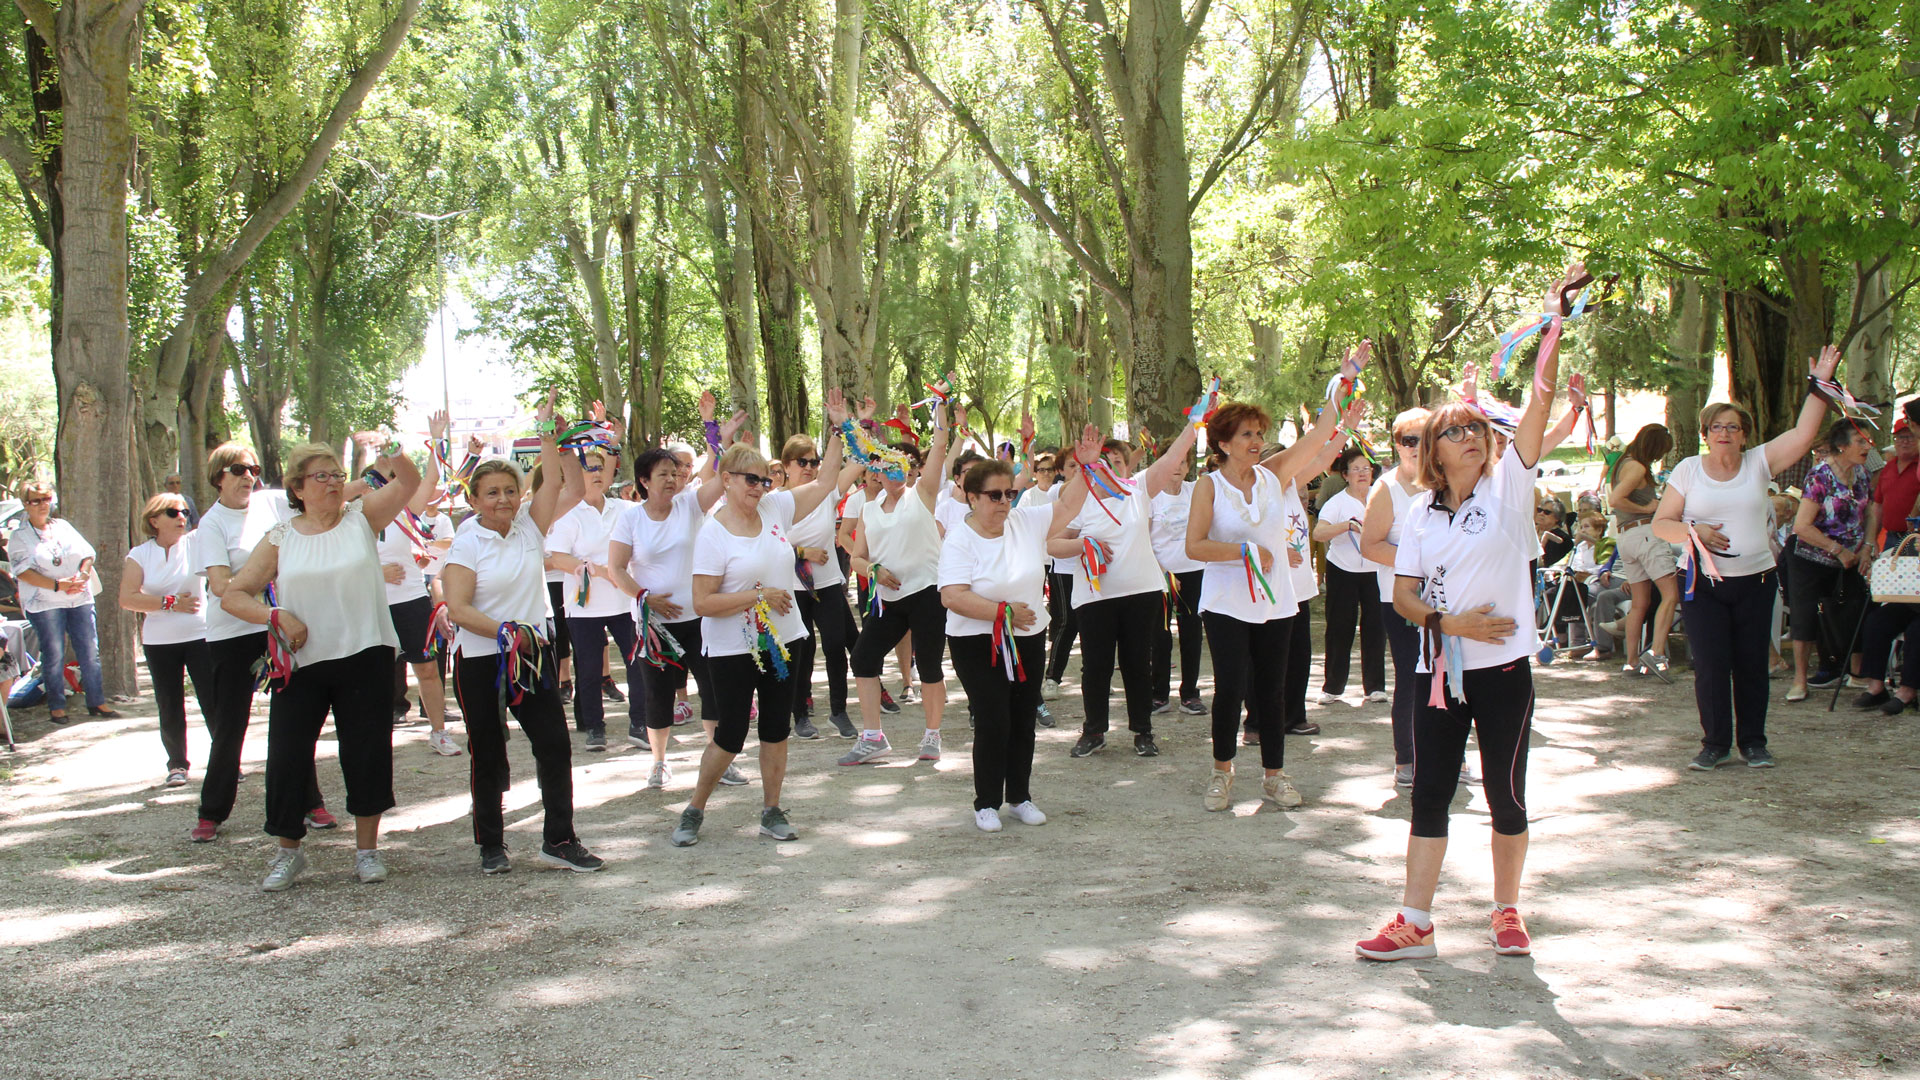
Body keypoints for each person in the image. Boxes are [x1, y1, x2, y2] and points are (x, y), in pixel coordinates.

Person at [1354, 266, 1578, 963]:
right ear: (1432, 453)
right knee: (1430, 796)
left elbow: (1539, 402)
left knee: (1507, 798)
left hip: (1504, 672)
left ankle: (1507, 912)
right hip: (1438, 675)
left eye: (1478, 429)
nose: (1471, 438)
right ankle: (1415, 921)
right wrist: (1448, 626)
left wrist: (1552, 326)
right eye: (1455, 433)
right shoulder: (1418, 512)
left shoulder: (1511, 491)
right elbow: (1404, 595)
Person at [222, 433, 422, 891]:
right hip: (303, 662)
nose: (332, 483)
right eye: (321, 476)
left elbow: (408, 481)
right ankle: (288, 853)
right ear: (297, 488)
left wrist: (388, 448)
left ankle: (367, 852)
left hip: (365, 652)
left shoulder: (361, 517)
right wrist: (275, 615)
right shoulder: (280, 537)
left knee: (366, 751)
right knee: (289, 755)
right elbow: (233, 595)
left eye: (336, 474)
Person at [670, 392, 847, 846]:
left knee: (775, 727)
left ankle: (771, 810)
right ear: (726, 480)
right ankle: (695, 808)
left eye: (764, 480)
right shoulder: (713, 533)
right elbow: (702, 601)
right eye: (751, 479)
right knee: (729, 734)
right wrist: (757, 596)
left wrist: (839, 428)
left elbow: (827, 480)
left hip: (782, 639)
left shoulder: (776, 507)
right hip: (732, 647)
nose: (760, 487)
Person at [440, 395, 604, 876]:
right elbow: (458, 608)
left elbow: (562, 482)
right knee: (487, 751)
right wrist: (509, 633)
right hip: (482, 660)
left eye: (509, 491)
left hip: (532, 657)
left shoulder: (530, 529)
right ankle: (491, 843)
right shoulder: (467, 544)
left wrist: (551, 435)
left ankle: (560, 839)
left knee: (554, 744)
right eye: (491, 493)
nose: (503, 500)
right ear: (473, 500)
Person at [1653, 350, 1839, 769]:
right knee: (1712, 667)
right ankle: (1714, 744)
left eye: (1732, 427)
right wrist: (1692, 532)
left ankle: (1754, 742)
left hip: (1755, 581)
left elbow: (1804, 434)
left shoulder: (1759, 463)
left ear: (1744, 434)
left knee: (1753, 665)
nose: (1724, 433)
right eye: (1716, 427)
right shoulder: (1687, 470)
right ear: (1705, 433)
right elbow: (1661, 523)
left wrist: (1821, 384)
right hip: (1703, 584)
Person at [1186, 386, 1364, 812]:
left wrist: (1341, 385)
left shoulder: (1274, 474)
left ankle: (1274, 776)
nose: (1255, 442)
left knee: (1273, 690)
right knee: (1230, 688)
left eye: (1259, 433)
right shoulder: (1208, 487)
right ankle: (1221, 773)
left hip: (1276, 601)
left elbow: (1318, 437)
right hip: (1228, 602)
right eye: (1246, 434)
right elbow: (1195, 547)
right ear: (1224, 443)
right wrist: (1245, 552)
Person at [940, 438, 1093, 831]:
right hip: (977, 642)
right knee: (994, 719)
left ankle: (1020, 796)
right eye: (995, 495)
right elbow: (952, 596)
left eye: (1009, 493)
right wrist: (1002, 612)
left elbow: (1069, 505)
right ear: (972, 497)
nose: (1005, 502)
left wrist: (1088, 466)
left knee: (1023, 717)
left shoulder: (1026, 520)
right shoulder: (960, 538)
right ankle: (986, 802)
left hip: (1026, 637)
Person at [189, 444, 332, 843]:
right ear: (219, 476)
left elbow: (323, 500)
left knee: (295, 719)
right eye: (238, 470)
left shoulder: (272, 504)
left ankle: (310, 802)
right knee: (230, 725)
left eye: (253, 469)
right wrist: (259, 588)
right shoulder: (211, 525)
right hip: (233, 633)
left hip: (280, 629)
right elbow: (220, 586)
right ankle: (211, 811)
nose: (248, 476)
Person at [1051, 424, 1200, 759]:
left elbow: (1173, 456)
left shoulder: (1139, 490)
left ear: (1128, 465)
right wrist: (1083, 545)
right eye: (1104, 462)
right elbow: (1052, 543)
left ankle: (1142, 731)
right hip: (1095, 597)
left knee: (1137, 664)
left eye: (1118, 462)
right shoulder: (1079, 501)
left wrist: (1195, 423)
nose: (1112, 468)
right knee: (1096, 666)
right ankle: (1094, 731)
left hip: (1142, 592)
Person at [608, 423, 732, 789]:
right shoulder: (629, 517)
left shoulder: (690, 504)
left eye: (676, 473)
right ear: (644, 480)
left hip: (698, 617)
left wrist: (717, 436)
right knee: (657, 695)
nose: (672, 480)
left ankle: (716, 756)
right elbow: (616, 567)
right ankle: (660, 762)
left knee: (711, 689)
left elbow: (721, 479)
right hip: (653, 626)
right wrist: (644, 598)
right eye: (663, 474)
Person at [841, 405, 954, 765]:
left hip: (926, 593)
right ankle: (873, 737)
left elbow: (938, 449)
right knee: (862, 658)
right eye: (886, 468)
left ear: (910, 469)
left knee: (932, 666)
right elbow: (857, 556)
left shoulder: (922, 495)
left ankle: (932, 735)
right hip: (889, 599)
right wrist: (874, 569)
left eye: (900, 467)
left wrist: (940, 412)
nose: (893, 473)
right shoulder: (869, 509)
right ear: (875, 472)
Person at [368, 411, 461, 757]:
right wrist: (377, 575)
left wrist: (437, 439)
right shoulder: (355, 513)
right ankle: (374, 737)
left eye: (393, 477)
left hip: (410, 600)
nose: (387, 484)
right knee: (374, 675)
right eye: (380, 477)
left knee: (427, 668)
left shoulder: (407, 511)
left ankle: (438, 732)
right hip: (372, 602)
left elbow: (430, 477)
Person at [545, 436, 636, 752]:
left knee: (636, 661)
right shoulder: (568, 513)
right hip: (583, 608)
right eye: (587, 469)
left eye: (599, 468)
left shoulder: (625, 509)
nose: (596, 474)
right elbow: (556, 557)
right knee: (588, 667)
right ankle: (595, 727)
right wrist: (599, 570)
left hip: (623, 603)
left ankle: (640, 721)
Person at [119, 491, 212, 787]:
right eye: (173, 513)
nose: (181, 518)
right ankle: (177, 764)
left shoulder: (196, 543)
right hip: (159, 641)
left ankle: (226, 760)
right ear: (154, 520)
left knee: (213, 700)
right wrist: (170, 603)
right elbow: (127, 598)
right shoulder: (139, 555)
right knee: (169, 703)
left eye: (184, 511)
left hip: (200, 635)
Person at [1361, 408, 1429, 786]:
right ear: (1397, 445)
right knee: (1412, 675)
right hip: (1399, 599)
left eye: (1425, 438)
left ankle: (1447, 752)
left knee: (1451, 673)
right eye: (1409, 440)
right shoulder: (1386, 489)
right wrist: (1415, 566)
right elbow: (1370, 546)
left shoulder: (1445, 482)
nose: (1417, 448)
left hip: (1447, 598)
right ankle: (1407, 758)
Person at [7, 481, 115, 724]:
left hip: (79, 597)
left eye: (46, 499)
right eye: (36, 500)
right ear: (26, 504)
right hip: (45, 602)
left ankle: (97, 701)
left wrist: (83, 575)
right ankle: (57, 706)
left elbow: (88, 554)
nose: (43, 505)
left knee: (89, 650)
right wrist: (58, 585)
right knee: (54, 652)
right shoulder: (19, 536)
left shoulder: (63, 526)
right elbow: (22, 571)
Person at [1785, 419, 1874, 702]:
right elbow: (1802, 526)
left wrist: (1867, 548)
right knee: (1805, 617)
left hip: (1851, 558)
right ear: (1841, 445)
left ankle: (1857, 674)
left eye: (1868, 441)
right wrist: (1838, 550)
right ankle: (1800, 681)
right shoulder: (1819, 476)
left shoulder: (1862, 474)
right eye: (1861, 441)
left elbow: (1871, 512)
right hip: (1811, 558)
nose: (1867, 446)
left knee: (1857, 610)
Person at [779, 430, 859, 740]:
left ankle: (839, 711)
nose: (810, 467)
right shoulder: (776, 501)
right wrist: (802, 553)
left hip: (826, 585)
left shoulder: (826, 493)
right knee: (801, 650)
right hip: (792, 588)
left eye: (815, 461)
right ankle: (799, 714)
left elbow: (853, 465)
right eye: (803, 462)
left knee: (836, 645)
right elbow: (767, 544)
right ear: (787, 465)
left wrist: (846, 428)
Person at [1277, 440, 1343, 737]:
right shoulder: (1258, 491)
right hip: (1271, 590)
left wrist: (1344, 428)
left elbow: (1321, 457)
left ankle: (1293, 716)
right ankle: (1255, 722)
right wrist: (1278, 551)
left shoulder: (1293, 486)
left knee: (1300, 655)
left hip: (1299, 589)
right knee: (1267, 657)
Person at [1607, 424, 1680, 680]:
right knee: (1671, 594)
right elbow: (1615, 500)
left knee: (1640, 603)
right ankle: (1656, 652)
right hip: (1645, 533)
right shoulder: (1637, 467)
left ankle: (1631, 661)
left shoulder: (1622, 462)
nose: (1659, 458)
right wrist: (1650, 507)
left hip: (1626, 538)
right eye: (1660, 452)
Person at [1313, 447, 1386, 703]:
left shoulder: (1381, 497)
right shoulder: (1337, 503)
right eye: (1356, 469)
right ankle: (1332, 687)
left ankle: (1376, 686)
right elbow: (1318, 534)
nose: (1362, 474)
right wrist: (1347, 526)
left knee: (1376, 626)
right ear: (1345, 475)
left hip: (1376, 570)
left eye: (1366, 469)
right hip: (1343, 569)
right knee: (1340, 626)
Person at [1148, 450, 1208, 717]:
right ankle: (1159, 694)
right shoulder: (1150, 496)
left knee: (1192, 633)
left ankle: (1190, 693)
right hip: (1160, 574)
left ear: (1187, 467)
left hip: (1194, 570)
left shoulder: (1195, 491)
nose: (1177, 467)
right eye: (1172, 462)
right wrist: (1161, 571)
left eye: (1182, 462)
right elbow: (1143, 537)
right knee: (1159, 635)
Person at [1873, 418, 1920, 550]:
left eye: (1910, 437)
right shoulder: (1888, 467)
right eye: (1900, 437)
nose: (1905, 442)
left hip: (1916, 539)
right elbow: (1878, 505)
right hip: (1891, 538)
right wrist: (1873, 540)